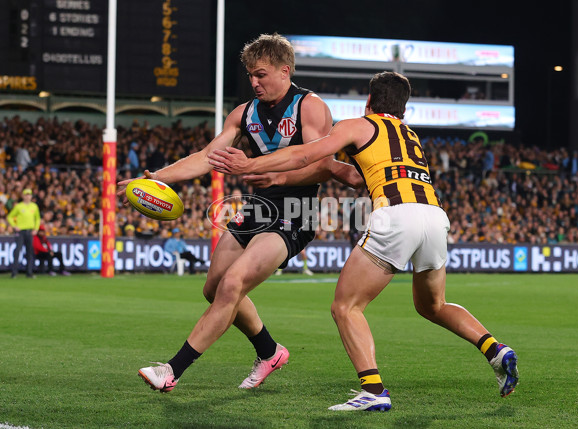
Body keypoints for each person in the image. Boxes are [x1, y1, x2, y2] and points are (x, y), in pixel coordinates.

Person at [209, 71, 519, 411]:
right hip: (434, 216)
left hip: (396, 215)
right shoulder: (410, 134)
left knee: (345, 307)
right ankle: (494, 349)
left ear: (369, 101)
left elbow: (306, 155)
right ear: (404, 108)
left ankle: (373, 391)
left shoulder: (357, 124)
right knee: (434, 305)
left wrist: (251, 163)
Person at [118, 33, 362, 393]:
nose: (254, 82)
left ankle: (171, 370)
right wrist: (155, 177)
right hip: (260, 207)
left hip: (296, 209)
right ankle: (269, 351)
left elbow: (322, 164)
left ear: (285, 70)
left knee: (233, 283)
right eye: (250, 75)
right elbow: (207, 157)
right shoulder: (244, 113)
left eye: (260, 74)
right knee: (213, 287)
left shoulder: (308, 107)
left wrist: (271, 171)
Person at [7, 188, 40, 278]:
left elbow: (37, 218)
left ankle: (29, 272)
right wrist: (14, 226)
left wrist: (36, 229)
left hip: (30, 231)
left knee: (29, 252)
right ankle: (14, 272)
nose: (28, 196)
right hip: (21, 231)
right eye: (26, 194)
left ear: (31, 196)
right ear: (23, 196)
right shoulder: (19, 206)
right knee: (17, 251)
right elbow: (10, 217)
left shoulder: (34, 206)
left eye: (29, 194)